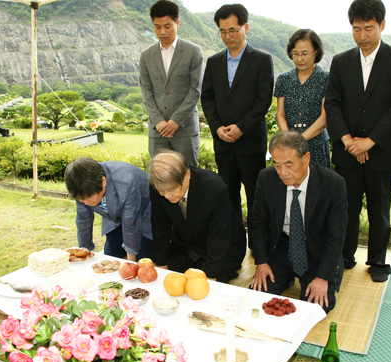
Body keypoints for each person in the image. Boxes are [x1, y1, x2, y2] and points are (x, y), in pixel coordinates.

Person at [325, 0, 391, 282]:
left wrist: (370, 141)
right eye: (356, 29)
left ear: (382, 26)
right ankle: (345, 256)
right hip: (348, 149)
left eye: (369, 28)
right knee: (345, 208)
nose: (362, 36)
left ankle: (377, 261)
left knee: (380, 209)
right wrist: (350, 141)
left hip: (382, 150)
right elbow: (334, 104)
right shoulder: (341, 61)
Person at [201, 4, 274, 250]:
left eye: (232, 30)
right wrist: (217, 127)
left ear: (245, 27)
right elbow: (207, 98)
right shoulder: (213, 61)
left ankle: (258, 247)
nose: (228, 36)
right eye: (222, 31)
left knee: (256, 197)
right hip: (223, 142)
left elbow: (263, 100)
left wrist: (241, 127)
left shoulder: (262, 60)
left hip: (250, 141)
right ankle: (233, 247)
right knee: (227, 196)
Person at [250, 132, 347, 313]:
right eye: (277, 165)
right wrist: (261, 262)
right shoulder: (267, 178)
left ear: (306, 158)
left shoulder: (332, 184)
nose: (283, 173)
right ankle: (286, 277)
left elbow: (336, 236)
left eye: (289, 165)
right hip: (281, 248)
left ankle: (306, 278)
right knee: (257, 298)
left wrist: (323, 278)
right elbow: (258, 223)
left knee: (316, 308)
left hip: (316, 251)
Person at [148, 150, 246, 283]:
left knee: (203, 286)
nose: (165, 195)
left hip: (222, 247)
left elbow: (219, 236)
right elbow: (160, 226)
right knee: (169, 280)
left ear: (187, 175)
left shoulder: (213, 189)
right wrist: (161, 264)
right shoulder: (159, 186)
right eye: (161, 191)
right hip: (186, 245)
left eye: (171, 190)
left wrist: (211, 277)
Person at [139, 0, 204, 168]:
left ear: (178, 23)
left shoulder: (193, 51)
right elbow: (146, 91)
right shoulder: (146, 55)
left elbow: (195, 90)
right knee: (159, 178)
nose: (162, 32)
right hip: (157, 131)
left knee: (189, 176)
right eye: (157, 26)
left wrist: (176, 120)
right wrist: (158, 121)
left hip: (184, 130)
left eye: (167, 26)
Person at [64, 158, 154, 262]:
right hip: (113, 214)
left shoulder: (126, 181)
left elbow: (130, 222)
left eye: (89, 198)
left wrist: (131, 264)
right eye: (81, 199)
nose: (85, 202)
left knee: (142, 259)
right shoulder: (81, 185)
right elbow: (83, 219)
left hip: (146, 212)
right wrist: (85, 253)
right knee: (111, 256)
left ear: (103, 181)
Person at [274, 29, 331, 168]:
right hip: (287, 144)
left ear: (316, 51)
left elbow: (325, 117)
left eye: (305, 53)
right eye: (295, 54)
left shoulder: (326, 78)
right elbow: (280, 114)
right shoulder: (283, 79)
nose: (299, 59)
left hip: (316, 143)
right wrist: (287, 138)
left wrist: (299, 140)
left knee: (317, 185)